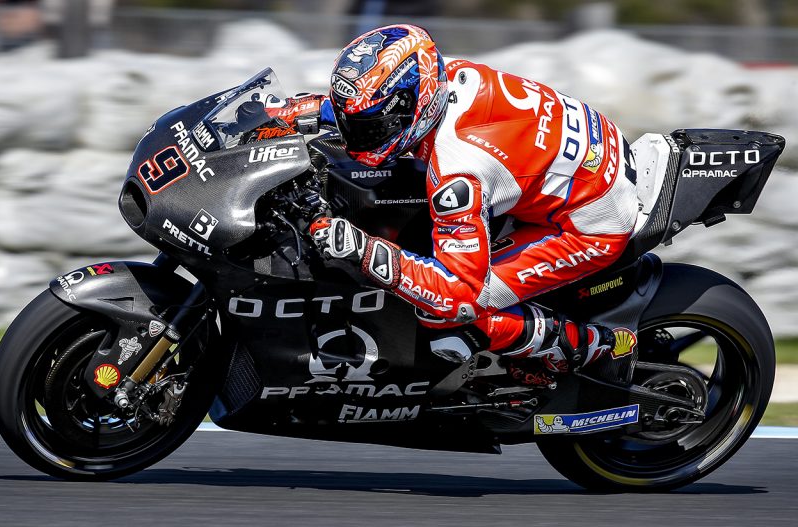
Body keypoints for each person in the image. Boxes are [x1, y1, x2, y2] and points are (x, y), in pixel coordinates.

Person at [268, 24, 639, 379]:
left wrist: (361, 248)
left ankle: (595, 350)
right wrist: (288, 113)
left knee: (446, 314)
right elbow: (371, 108)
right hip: (590, 157)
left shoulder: (458, 172)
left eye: (371, 126)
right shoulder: (447, 77)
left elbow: (457, 293)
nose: (359, 136)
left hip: (587, 223)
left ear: (416, 105)